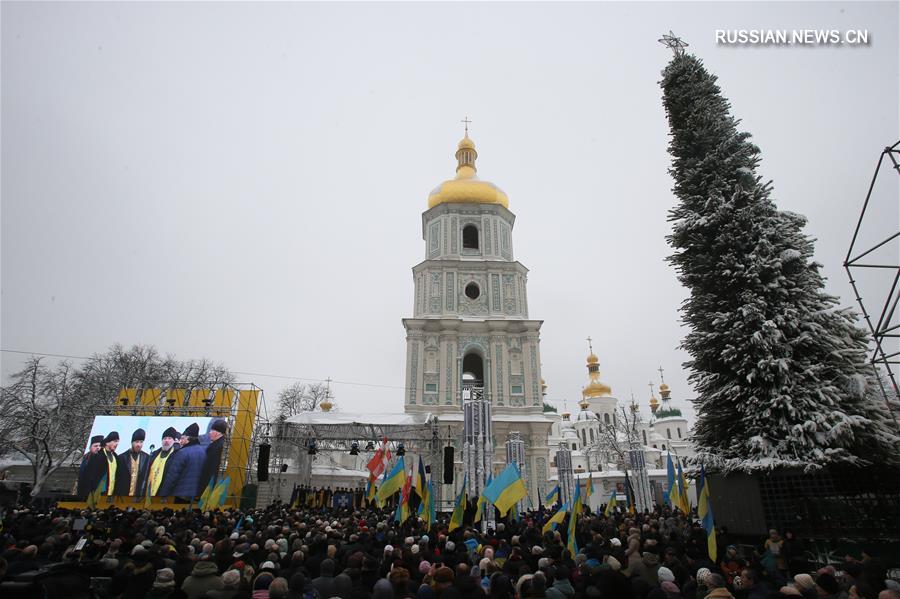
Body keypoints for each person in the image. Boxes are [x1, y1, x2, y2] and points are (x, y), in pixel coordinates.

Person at [158, 423, 206, 498]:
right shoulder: (204, 452)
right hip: (197, 495)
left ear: (187, 438)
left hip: (180, 494)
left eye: (182, 438)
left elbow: (172, 477)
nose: (180, 441)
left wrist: (162, 495)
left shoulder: (182, 453)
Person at [115, 428, 151, 496]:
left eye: (141, 442)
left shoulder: (147, 458)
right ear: (132, 442)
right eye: (137, 442)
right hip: (122, 495)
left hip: (138, 497)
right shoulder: (121, 458)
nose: (139, 444)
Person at [147, 427, 180, 497]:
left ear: (174, 441)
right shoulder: (154, 454)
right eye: (164, 438)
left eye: (169, 438)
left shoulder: (177, 456)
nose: (166, 441)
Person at [198, 419, 227, 496]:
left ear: (218, 433)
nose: (210, 433)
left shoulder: (218, 446)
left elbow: (213, 468)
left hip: (209, 483)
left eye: (212, 430)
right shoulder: (217, 444)